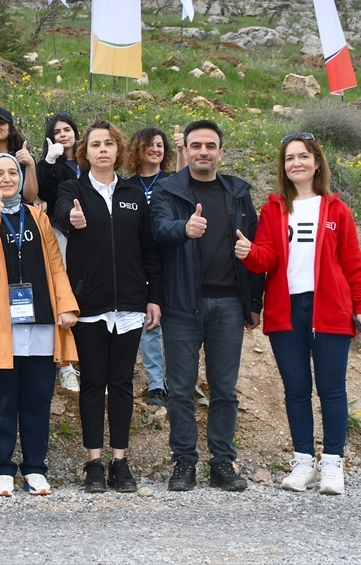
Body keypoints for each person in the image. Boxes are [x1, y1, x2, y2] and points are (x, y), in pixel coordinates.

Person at [237, 133, 361, 496]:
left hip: (330, 308)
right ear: (283, 167)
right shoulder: (274, 208)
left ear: (316, 163)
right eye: (289, 158)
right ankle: (302, 462)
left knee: (332, 390)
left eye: (303, 156)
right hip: (287, 309)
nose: (296, 163)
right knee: (296, 390)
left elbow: (353, 264)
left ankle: (332, 466)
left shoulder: (337, 209)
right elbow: (267, 258)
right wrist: (249, 251)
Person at [149, 119, 263, 493]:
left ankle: (222, 462)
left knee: (225, 389)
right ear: (186, 151)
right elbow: (158, 230)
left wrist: (253, 303)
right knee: (180, 390)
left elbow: (257, 248)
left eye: (210, 146)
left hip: (229, 304)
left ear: (220, 152)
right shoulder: (168, 189)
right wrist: (184, 229)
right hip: (182, 305)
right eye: (195, 145)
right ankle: (184, 462)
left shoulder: (238, 192)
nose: (202, 152)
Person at [55, 120, 163, 493]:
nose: (103, 150)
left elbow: (149, 249)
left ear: (118, 150)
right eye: (96, 144)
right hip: (89, 305)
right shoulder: (73, 189)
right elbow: (59, 213)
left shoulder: (134, 192)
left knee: (121, 384)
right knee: (92, 384)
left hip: (131, 305)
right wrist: (70, 216)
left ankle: (120, 460)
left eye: (109, 144)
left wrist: (153, 297)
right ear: (85, 152)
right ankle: (94, 463)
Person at [0, 153, 79, 497]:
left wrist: (67, 306)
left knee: (37, 398)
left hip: (40, 321)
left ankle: (34, 468)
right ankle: (1, 468)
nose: (7, 178)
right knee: (0, 399)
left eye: (12, 172)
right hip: (0, 324)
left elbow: (56, 265)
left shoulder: (38, 216)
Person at [123, 126, 179, 409]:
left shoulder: (172, 181)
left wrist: (182, 153)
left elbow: (189, 189)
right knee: (150, 323)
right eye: (150, 145)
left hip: (174, 259)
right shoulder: (127, 187)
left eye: (160, 145)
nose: (156, 149)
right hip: (141, 262)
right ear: (138, 149)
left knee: (177, 325)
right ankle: (156, 384)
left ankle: (180, 382)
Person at [34, 112, 82, 392]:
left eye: (67, 130)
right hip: (61, 234)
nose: (63, 135)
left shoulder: (88, 163)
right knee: (62, 295)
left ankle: (82, 357)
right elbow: (47, 191)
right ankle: (64, 363)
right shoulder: (51, 163)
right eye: (57, 131)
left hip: (92, 238)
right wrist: (51, 161)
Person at [0, 108, 39, 204]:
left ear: (10, 128)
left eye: (0, 123)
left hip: (21, 217)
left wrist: (30, 164)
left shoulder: (23, 160)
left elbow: (30, 198)